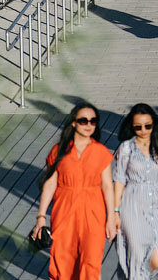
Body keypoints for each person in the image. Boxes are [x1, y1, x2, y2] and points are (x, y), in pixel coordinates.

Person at [32, 102, 116, 280]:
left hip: (94, 211)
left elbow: (108, 185)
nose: (88, 125)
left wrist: (112, 216)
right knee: (62, 260)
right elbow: (50, 183)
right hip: (64, 209)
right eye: (83, 121)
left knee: (91, 261)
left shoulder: (101, 152)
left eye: (93, 121)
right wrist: (41, 216)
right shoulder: (59, 150)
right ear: (73, 123)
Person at [113, 104, 158, 280]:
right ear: (132, 127)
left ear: (154, 124)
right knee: (137, 256)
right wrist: (114, 212)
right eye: (138, 127)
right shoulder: (126, 148)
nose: (143, 130)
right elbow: (119, 180)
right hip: (132, 206)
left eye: (147, 125)